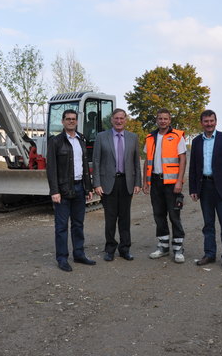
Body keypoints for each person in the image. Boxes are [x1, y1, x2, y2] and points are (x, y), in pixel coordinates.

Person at [188, 109, 222, 271]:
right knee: (208, 224)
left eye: (211, 121)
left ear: (216, 122)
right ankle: (209, 254)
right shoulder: (196, 141)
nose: (209, 124)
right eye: (206, 121)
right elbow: (193, 168)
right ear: (201, 123)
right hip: (205, 187)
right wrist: (193, 189)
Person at [46, 109, 96, 272]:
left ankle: (79, 254)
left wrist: (88, 187)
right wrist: (55, 191)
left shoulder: (81, 139)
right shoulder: (56, 141)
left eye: (73, 119)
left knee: (78, 224)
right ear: (63, 121)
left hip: (79, 188)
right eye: (68, 119)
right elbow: (51, 169)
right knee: (61, 226)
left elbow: (84, 165)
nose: (71, 121)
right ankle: (62, 258)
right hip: (63, 189)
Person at [93, 108, 142, 261]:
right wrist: (97, 183)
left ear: (125, 120)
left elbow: (136, 162)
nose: (119, 121)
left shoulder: (133, 138)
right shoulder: (101, 137)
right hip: (108, 183)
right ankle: (109, 249)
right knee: (110, 218)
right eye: (116, 118)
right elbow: (96, 162)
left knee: (125, 218)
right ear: (111, 120)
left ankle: (125, 248)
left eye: (122, 118)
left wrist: (137, 183)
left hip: (126, 182)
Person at [143, 108, 187, 263]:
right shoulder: (150, 137)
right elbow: (147, 162)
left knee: (174, 215)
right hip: (155, 181)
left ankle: (178, 248)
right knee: (159, 215)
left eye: (165, 118)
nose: (162, 121)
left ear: (170, 120)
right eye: (160, 118)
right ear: (156, 120)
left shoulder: (177, 136)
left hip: (171, 183)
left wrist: (179, 181)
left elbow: (182, 160)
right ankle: (163, 246)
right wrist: (145, 182)